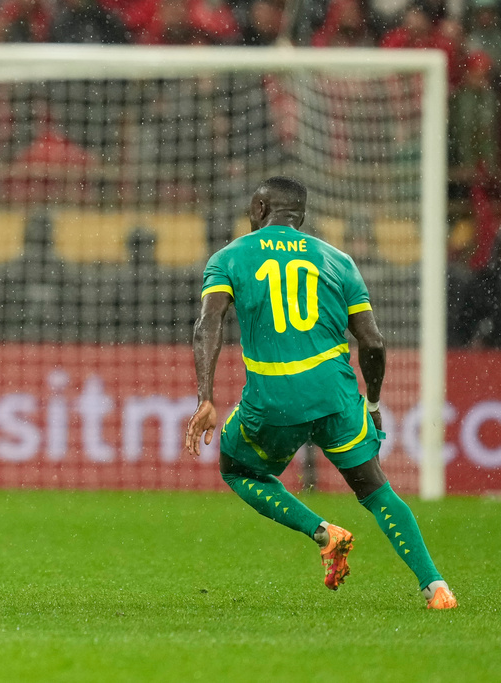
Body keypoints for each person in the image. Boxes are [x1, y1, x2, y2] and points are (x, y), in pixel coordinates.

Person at [184, 177, 457, 610]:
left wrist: (205, 396)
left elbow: (208, 324)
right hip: (336, 397)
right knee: (375, 489)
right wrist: (373, 403)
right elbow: (372, 343)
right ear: (301, 216)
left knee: (237, 469)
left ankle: (324, 532)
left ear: (258, 209)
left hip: (274, 400)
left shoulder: (230, 257)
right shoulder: (338, 261)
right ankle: (436, 587)